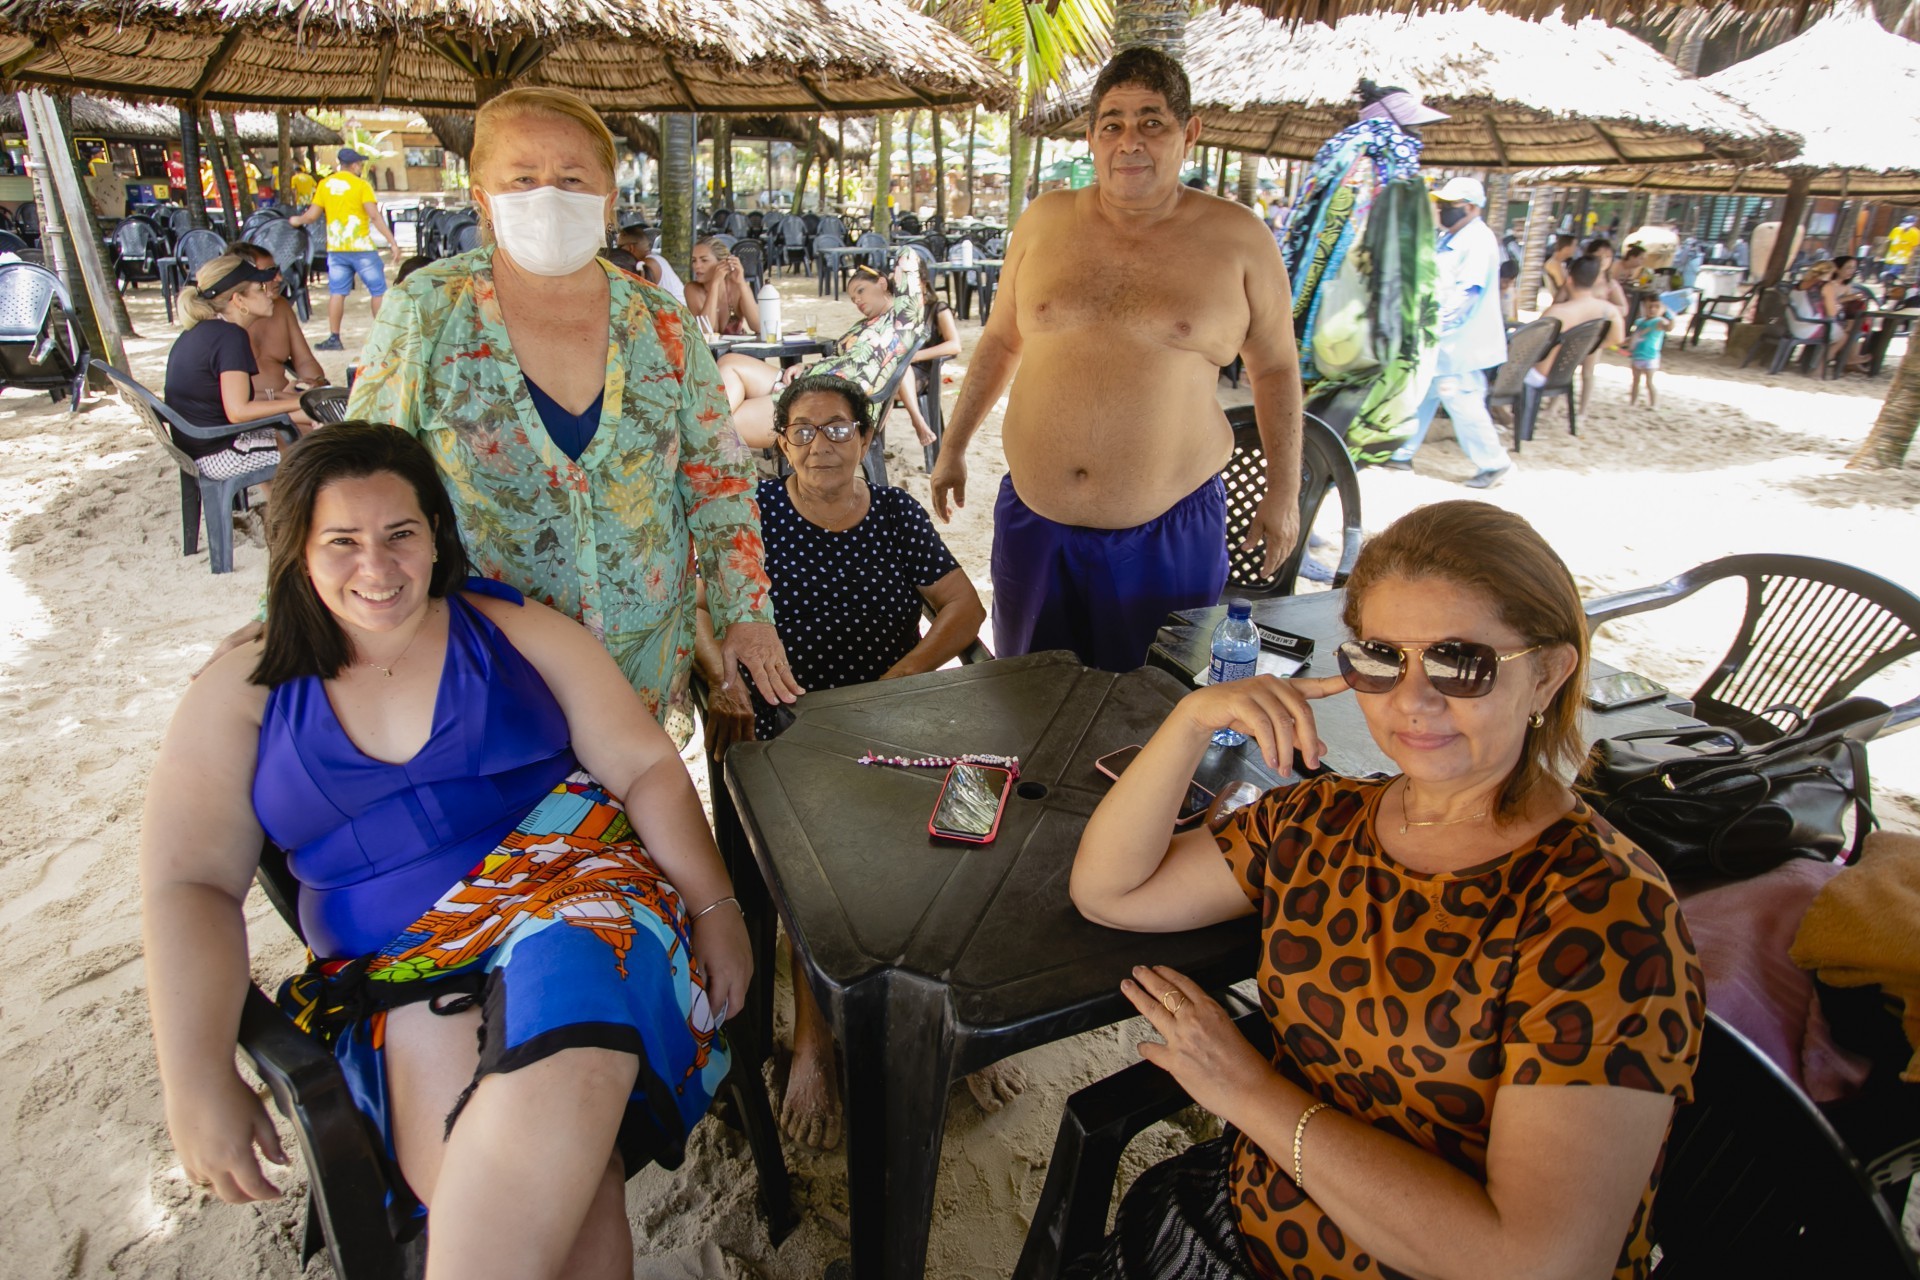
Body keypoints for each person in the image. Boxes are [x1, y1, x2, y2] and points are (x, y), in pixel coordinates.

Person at [145, 423, 750, 1279]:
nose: (377, 567)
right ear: (297, 554)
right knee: (569, 1209)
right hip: (401, 973)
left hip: (573, 898)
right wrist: (194, 1073)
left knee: (567, 1025)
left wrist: (714, 904)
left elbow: (647, 763)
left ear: (436, 531)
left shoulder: (512, 629)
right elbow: (191, 884)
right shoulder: (243, 691)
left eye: (400, 534)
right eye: (342, 543)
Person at [1066, 499, 1704, 1280]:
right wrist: (1193, 719)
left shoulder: (1604, 917)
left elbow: (1540, 1264)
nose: (1411, 700)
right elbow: (1113, 892)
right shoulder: (1324, 821)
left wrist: (1250, 1094)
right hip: (1248, 1221)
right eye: (1379, 658)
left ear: (1547, 673)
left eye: (1460, 662)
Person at [203, 87, 794, 734]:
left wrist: (747, 613)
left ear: (608, 199)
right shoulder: (428, 310)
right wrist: (280, 610)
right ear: (483, 199)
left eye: (572, 178)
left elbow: (718, 482)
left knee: (633, 819)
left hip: (644, 658)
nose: (548, 195)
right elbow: (354, 478)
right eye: (522, 179)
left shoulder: (663, 322)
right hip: (483, 660)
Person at [929, 46, 1303, 672]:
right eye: (1113, 123)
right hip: (1034, 523)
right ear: (1093, 136)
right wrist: (954, 445)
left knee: (1151, 713)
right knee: (1031, 703)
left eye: (1151, 121)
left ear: (1190, 132)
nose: (1130, 140)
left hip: (1169, 529)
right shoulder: (1044, 221)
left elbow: (1275, 369)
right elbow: (1000, 340)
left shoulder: (1239, 238)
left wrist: (1283, 493)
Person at [692, 375, 991, 1149]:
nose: (819, 445)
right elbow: (695, 604)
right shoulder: (754, 516)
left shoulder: (893, 513)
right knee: (820, 863)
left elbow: (965, 609)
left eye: (836, 429)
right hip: (788, 727)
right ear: (780, 440)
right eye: (801, 430)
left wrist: (902, 678)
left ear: (865, 435)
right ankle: (814, 1042)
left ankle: (952, 1015)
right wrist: (724, 672)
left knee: (972, 826)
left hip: (896, 718)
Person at [716, 256, 923, 449]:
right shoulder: (864, 325)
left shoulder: (902, 321)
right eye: (852, 298)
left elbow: (909, 255)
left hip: (826, 402)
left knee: (727, 425)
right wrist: (804, 366)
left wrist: (882, 268)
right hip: (808, 382)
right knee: (729, 362)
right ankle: (707, 430)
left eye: (861, 291)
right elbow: (839, 360)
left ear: (882, 284)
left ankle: (705, 435)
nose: (857, 301)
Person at [1385, 177, 1511, 489]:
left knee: (1463, 402)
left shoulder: (1477, 241)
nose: (1441, 210)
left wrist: (1432, 329)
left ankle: (1494, 463)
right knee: (1423, 394)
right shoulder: (1451, 237)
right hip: (1442, 344)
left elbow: (1466, 296)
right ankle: (1401, 452)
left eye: (1448, 205)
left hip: (1460, 344)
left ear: (1471, 207)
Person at [164, 255, 315, 483]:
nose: (269, 292)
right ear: (239, 300)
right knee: (315, 448)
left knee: (303, 426)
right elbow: (238, 411)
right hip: (219, 453)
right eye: (259, 288)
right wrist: (303, 402)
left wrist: (281, 396)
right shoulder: (231, 336)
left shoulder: (202, 331)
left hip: (200, 447)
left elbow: (221, 398)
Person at [289, 147, 404, 352]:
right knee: (378, 291)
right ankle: (383, 336)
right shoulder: (361, 186)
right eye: (359, 163)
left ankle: (334, 337)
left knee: (337, 293)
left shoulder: (325, 185)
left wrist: (296, 220)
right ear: (353, 165)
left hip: (337, 249)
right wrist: (392, 242)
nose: (360, 167)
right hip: (362, 248)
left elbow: (311, 216)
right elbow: (374, 216)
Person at [226, 240, 329, 400]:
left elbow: (304, 361)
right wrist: (278, 397)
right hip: (256, 408)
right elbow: (229, 400)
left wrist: (317, 384)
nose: (279, 278)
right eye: (269, 273)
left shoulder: (280, 307)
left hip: (287, 400)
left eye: (277, 270)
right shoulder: (223, 323)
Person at [1530, 255, 1625, 395]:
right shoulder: (1609, 310)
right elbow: (1618, 339)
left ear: (1569, 280)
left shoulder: (1556, 312)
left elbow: (1531, 345)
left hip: (1538, 375)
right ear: (1595, 281)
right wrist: (1583, 347)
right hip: (1564, 375)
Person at [900, 262, 961, 450]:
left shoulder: (937, 309)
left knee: (902, 370)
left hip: (922, 373)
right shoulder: (898, 311)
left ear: (923, 284)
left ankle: (918, 421)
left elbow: (955, 345)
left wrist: (916, 356)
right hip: (895, 373)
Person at [686, 237, 761, 337]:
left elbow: (758, 326)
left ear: (722, 263)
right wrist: (715, 284)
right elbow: (704, 331)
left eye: (704, 260)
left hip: (735, 350)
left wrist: (741, 282)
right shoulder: (692, 290)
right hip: (709, 352)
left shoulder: (737, 287)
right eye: (694, 261)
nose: (697, 266)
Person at [618, 223, 685, 303]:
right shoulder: (655, 259)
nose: (618, 252)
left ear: (630, 248)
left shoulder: (648, 264)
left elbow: (641, 299)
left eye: (619, 247)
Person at [1627, 295, 1673, 408]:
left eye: (1656, 307)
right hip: (1637, 355)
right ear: (1644, 307)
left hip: (1650, 357)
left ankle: (1654, 404)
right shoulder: (1639, 322)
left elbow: (1669, 327)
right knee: (1635, 381)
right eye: (1649, 306)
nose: (1652, 309)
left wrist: (1672, 316)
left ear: (1662, 309)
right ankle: (1633, 402)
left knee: (1649, 382)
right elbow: (1634, 337)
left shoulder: (1659, 322)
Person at [1540, 233, 1577, 304]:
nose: (1575, 249)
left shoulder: (1559, 263)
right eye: (1574, 246)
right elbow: (1562, 287)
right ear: (1566, 248)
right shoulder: (1553, 264)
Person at [1881, 215, 1917, 284]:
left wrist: (1911, 262)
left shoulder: (1915, 233)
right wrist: (1881, 254)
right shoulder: (1896, 230)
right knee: (1884, 276)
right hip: (1890, 258)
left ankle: (1889, 287)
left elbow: (1914, 248)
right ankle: (1886, 289)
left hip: (1901, 259)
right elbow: (1888, 241)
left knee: (1890, 276)